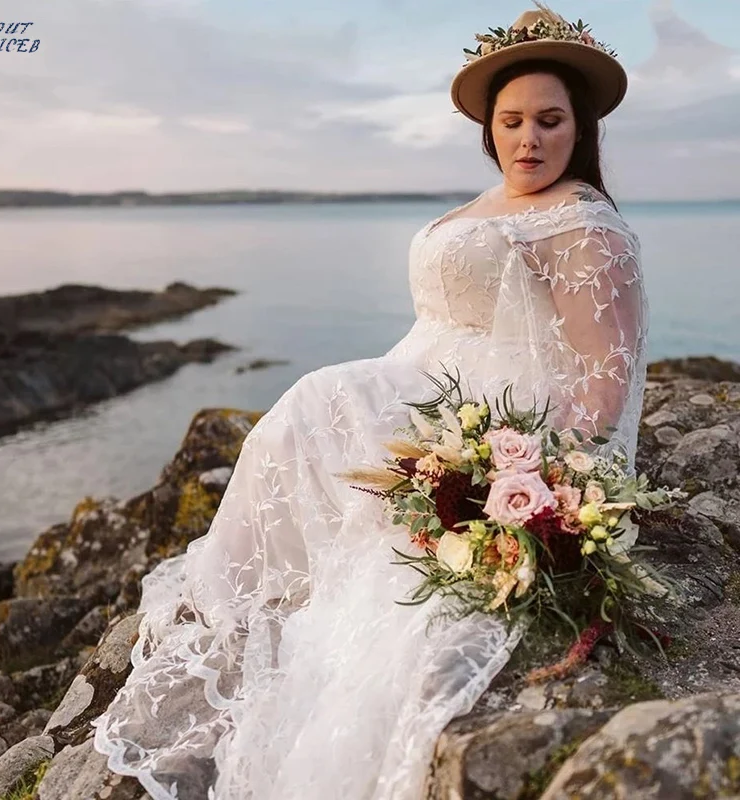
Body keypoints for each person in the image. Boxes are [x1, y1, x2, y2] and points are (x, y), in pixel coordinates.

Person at [93, 5, 648, 799]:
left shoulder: (585, 225)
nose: (530, 140)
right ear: (489, 129)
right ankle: (234, 602)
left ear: (580, 128)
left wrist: (548, 483)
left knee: (325, 406)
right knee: (315, 406)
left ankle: (254, 603)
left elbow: (605, 376)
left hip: (504, 415)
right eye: (513, 121)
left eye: (550, 122)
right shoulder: (491, 203)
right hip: (431, 383)